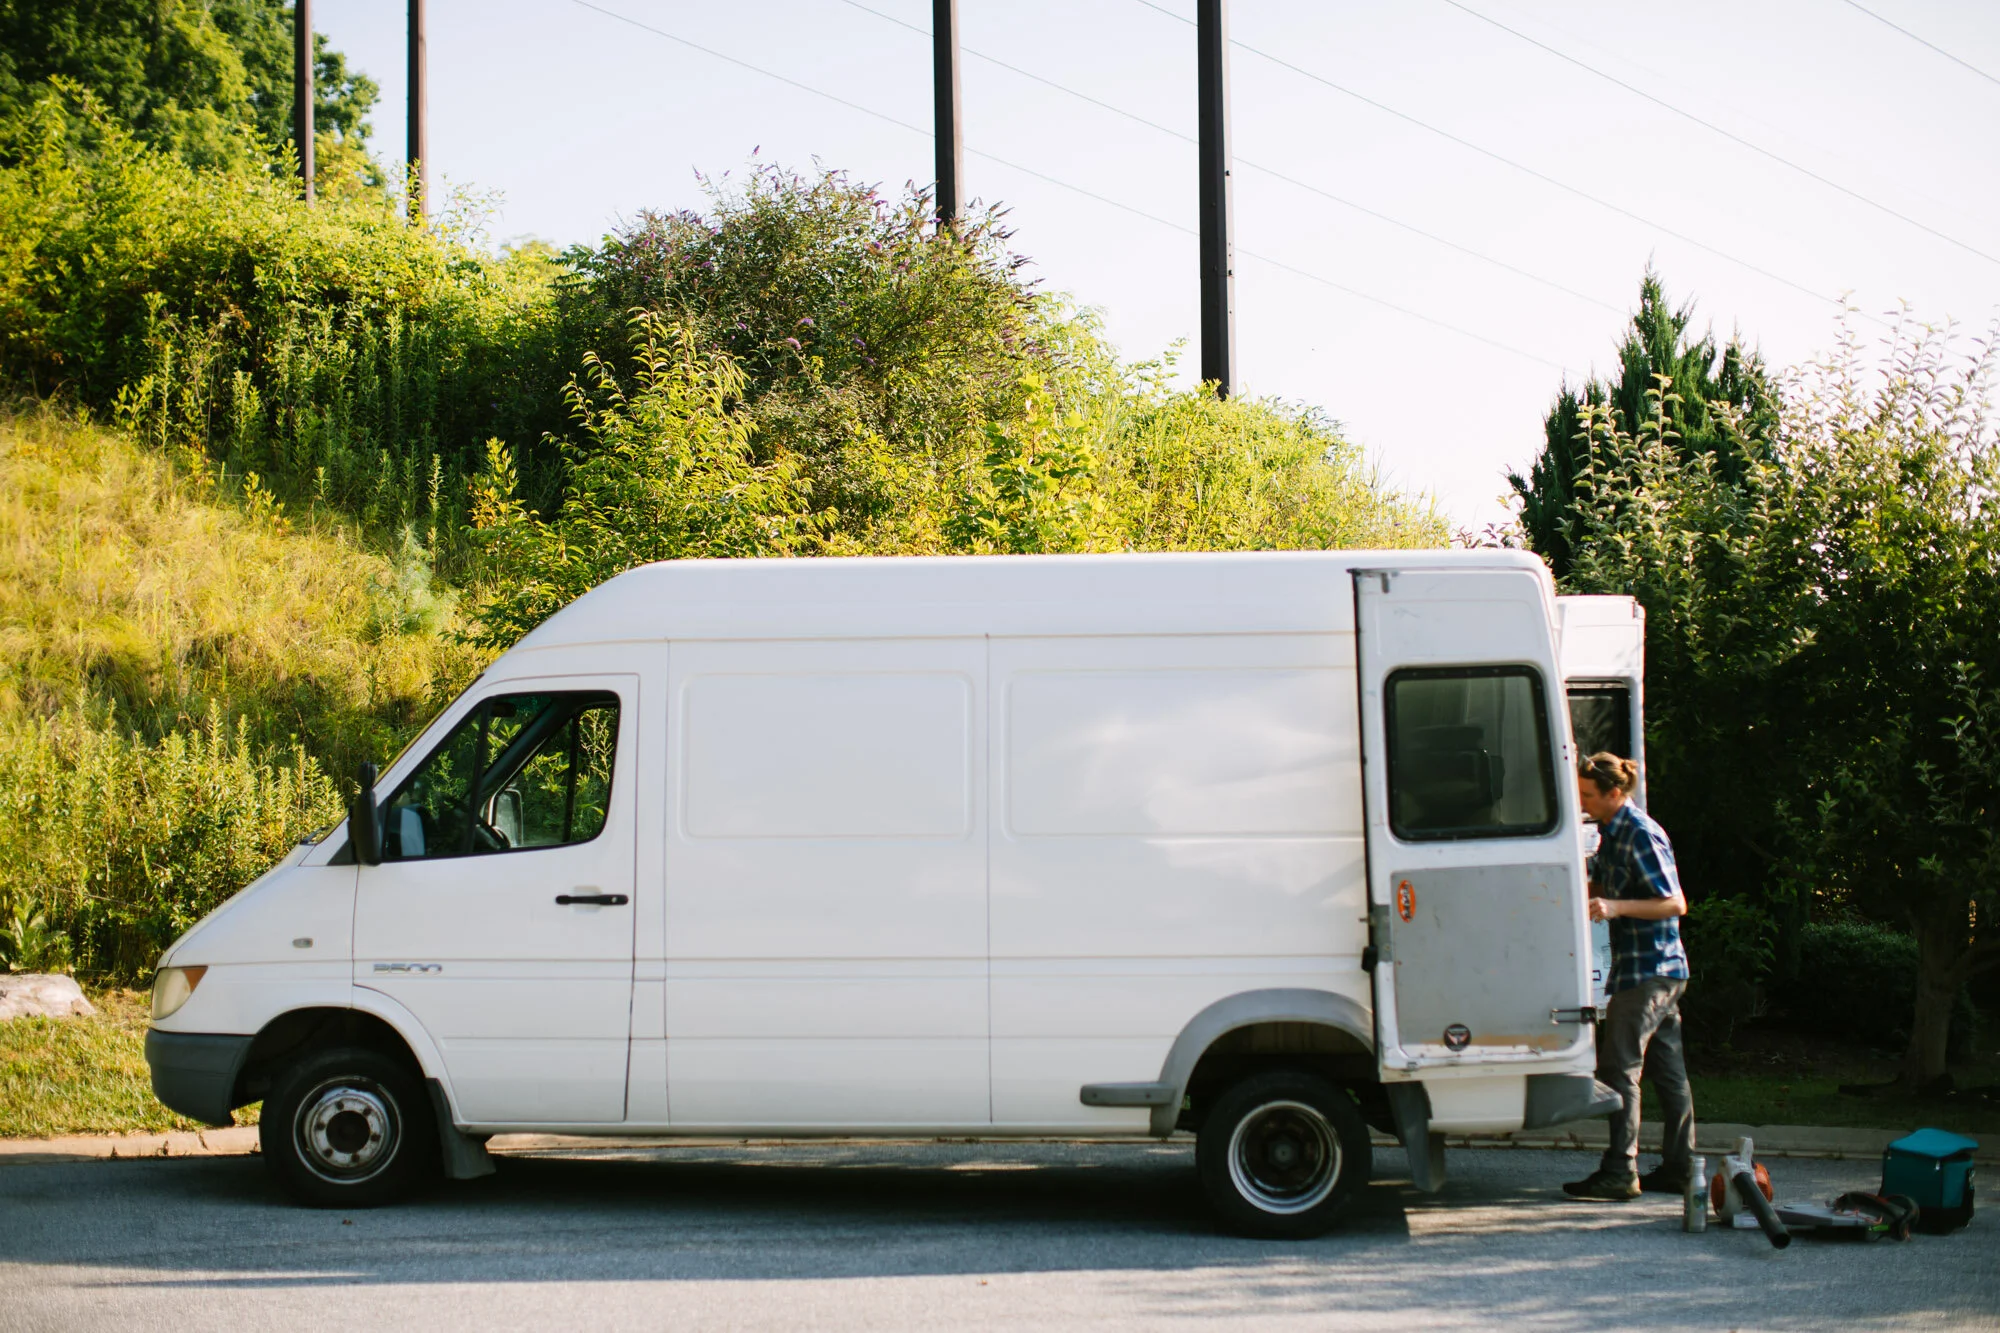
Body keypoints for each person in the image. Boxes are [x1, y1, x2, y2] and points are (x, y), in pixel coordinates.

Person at [1563, 752, 1697, 1202]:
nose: (1581, 801)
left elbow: (1674, 903)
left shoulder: (1640, 832)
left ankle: (1620, 1171)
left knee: (1619, 1069)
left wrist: (1616, 907)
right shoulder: (1610, 832)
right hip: (1653, 970)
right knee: (1669, 1074)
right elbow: (1601, 887)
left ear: (1614, 793)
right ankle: (1680, 1169)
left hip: (1650, 971)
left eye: (1587, 794)